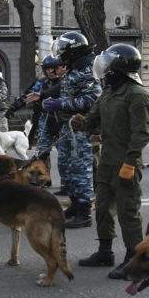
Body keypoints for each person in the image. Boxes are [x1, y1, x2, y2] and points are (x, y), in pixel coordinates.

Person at [78, 44, 149, 277]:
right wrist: (79, 122)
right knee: (102, 208)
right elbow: (93, 118)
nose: (106, 68)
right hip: (107, 161)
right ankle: (105, 251)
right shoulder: (109, 91)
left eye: (110, 64)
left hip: (126, 162)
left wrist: (130, 163)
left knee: (128, 211)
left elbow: (142, 134)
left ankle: (135, 260)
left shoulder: (137, 95)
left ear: (120, 67)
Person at [43, 32, 101, 228]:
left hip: (81, 126)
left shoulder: (87, 70)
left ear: (73, 50)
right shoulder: (75, 68)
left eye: (64, 49)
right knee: (69, 167)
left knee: (81, 168)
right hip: (68, 127)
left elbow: (92, 99)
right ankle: (76, 204)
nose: (61, 54)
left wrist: (62, 104)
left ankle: (84, 212)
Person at [17, 55, 67, 191]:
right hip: (46, 120)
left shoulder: (65, 81)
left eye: (53, 68)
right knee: (42, 152)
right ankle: (44, 179)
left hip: (61, 122)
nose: (50, 72)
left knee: (63, 154)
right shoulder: (42, 83)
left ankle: (65, 184)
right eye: (47, 69)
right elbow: (32, 98)